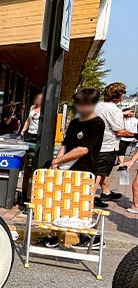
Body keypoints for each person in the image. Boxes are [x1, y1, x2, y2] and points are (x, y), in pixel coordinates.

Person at [42, 88, 105, 249]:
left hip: (84, 169)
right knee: (58, 202)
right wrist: (56, 162)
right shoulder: (75, 123)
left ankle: (91, 236)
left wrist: (60, 159)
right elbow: (66, 144)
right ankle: (53, 236)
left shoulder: (97, 123)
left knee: (79, 205)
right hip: (66, 168)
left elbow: (83, 149)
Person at [92, 82, 132, 208]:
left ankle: (106, 192)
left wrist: (122, 114)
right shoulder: (114, 110)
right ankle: (90, 198)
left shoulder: (98, 106)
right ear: (119, 95)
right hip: (108, 146)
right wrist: (135, 135)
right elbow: (120, 131)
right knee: (99, 172)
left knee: (103, 172)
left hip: (96, 144)